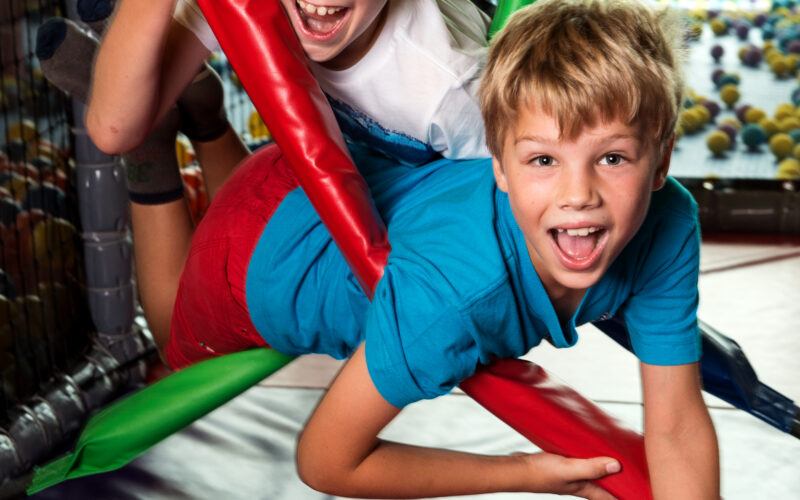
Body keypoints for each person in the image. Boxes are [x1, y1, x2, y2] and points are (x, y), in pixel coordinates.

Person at [165, 0, 721, 497]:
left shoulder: (670, 222)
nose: (579, 196)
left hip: (317, 179)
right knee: (168, 340)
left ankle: (209, 124)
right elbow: (327, 462)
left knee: (243, 191)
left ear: (661, 162)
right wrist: (527, 473)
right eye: (544, 160)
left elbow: (675, 423)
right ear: (497, 165)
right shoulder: (452, 299)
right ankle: (153, 160)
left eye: (613, 158)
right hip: (254, 269)